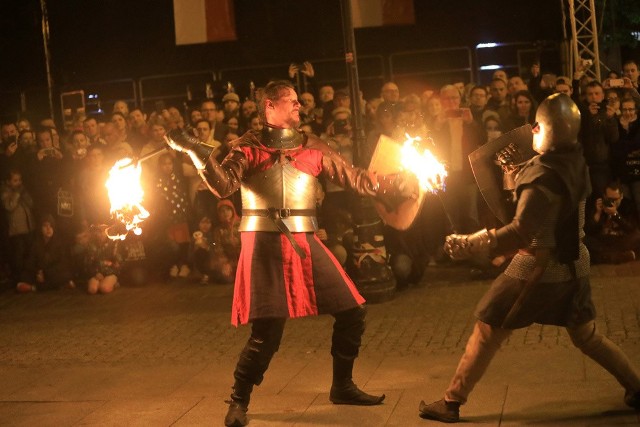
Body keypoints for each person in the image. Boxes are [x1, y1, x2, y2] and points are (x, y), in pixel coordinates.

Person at [165, 80, 417, 427]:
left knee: (352, 310)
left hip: (304, 240)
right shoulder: (248, 147)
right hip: (264, 243)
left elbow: (357, 179)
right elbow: (223, 185)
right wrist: (196, 150)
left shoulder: (313, 147)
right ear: (269, 106)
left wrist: (393, 181)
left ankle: (342, 386)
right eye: (292, 102)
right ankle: (238, 401)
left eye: (299, 102)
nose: (300, 106)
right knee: (267, 332)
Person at [418, 93, 640, 423]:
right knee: (586, 335)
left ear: (543, 129)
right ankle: (637, 387)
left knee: (487, 329)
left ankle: (452, 401)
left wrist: (471, 242)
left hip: (538, 268)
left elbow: (522, 230)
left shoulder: (539, 178)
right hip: (575, 263)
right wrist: (519, 171)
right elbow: (550, 201)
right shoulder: (574, 160)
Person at [584, 181, 640, 264]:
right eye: (609, 199)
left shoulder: (628, 205)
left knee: (637, 236)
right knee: (583, 240)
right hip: (602, 240)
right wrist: (597, 214)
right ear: (604, 196)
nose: (612, 202)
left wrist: (615, 214)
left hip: (620, 241)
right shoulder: (597, 205)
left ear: (621, 196)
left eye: (615, 199)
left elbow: (631, 228)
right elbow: (587, 230)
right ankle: (618, 256)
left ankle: (606, 256)